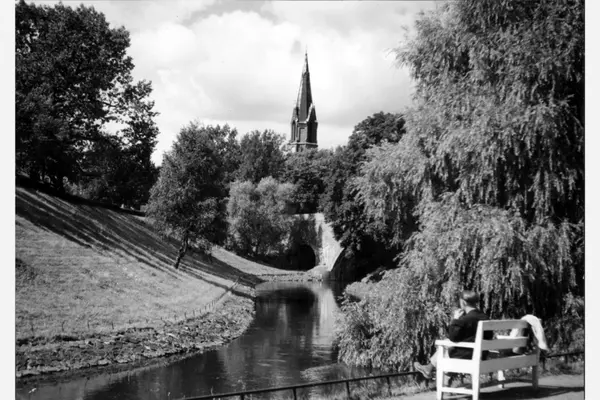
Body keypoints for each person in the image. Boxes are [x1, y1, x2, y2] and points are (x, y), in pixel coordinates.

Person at [413, 290, 492, 379]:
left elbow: (453, 337)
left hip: (467, 357)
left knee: (445, 344)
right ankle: (431, 368)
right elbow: (488, 336)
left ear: (463, 302)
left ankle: (433, 369)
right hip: (482, 354)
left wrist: (455, 319)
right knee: (447, 343)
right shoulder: (485, 317)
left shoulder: (465, 319)